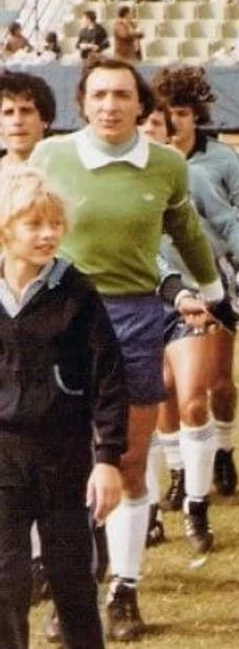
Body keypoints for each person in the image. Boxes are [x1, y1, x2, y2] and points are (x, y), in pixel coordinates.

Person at [29, 57, 223, 641]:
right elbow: (22, 225)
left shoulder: (166, 164)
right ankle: (75, 591)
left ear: (142, 105)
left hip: (136, 318)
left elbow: (186, 233)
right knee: (67, 463)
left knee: (127, 462)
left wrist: (212, 293)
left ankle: (125, 589)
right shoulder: (52, 156)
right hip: (63, 317)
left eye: (121, 95)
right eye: (99, 95)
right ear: (82, 103)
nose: (110, 105)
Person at [0, 170, 126, 649]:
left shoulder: (77, 292)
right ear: (5, 228)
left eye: (55, 224)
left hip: (64, 454)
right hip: (4, 456)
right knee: (5, 579)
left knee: (72, 579)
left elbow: (109, 378)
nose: (48, 234)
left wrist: (107, 459)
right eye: (34, 224)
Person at [152, 65, 239, 506]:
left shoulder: (219, 161)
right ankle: (178, 470)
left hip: (210, 282)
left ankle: (223, 448)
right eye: (167, 112)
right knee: (164, 385)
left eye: (182, 112)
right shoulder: (145, 164)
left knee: (218, 382)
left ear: (196, 115)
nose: (174, 121)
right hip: (157, 288)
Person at [0, 72, 56, 172]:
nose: (17, 121)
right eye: (9, 113)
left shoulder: (66, 173)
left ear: (45, 119)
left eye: (26, 111)